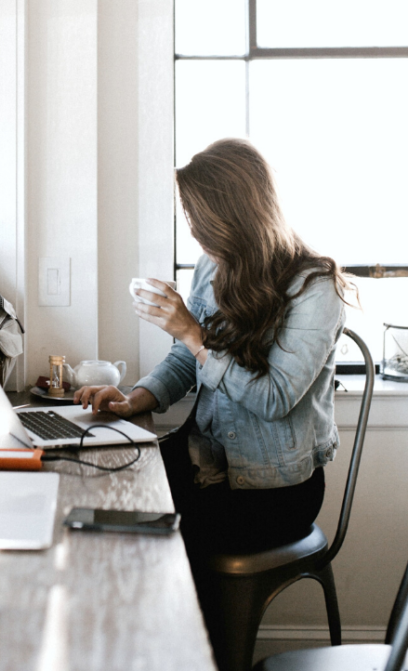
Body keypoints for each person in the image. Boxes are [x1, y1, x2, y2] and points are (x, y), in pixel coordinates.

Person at [74, 138, 348, 560]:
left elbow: (273, 399)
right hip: (206, 464)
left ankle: (184, 624)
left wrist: (191, 333)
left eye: (199, 219)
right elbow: (187, 358)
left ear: (235, 215)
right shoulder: (213, 266)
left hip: (272, 491)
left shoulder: (315, 288)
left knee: (136, 538)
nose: (195, 232)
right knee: (98, 490)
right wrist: (133, 401)